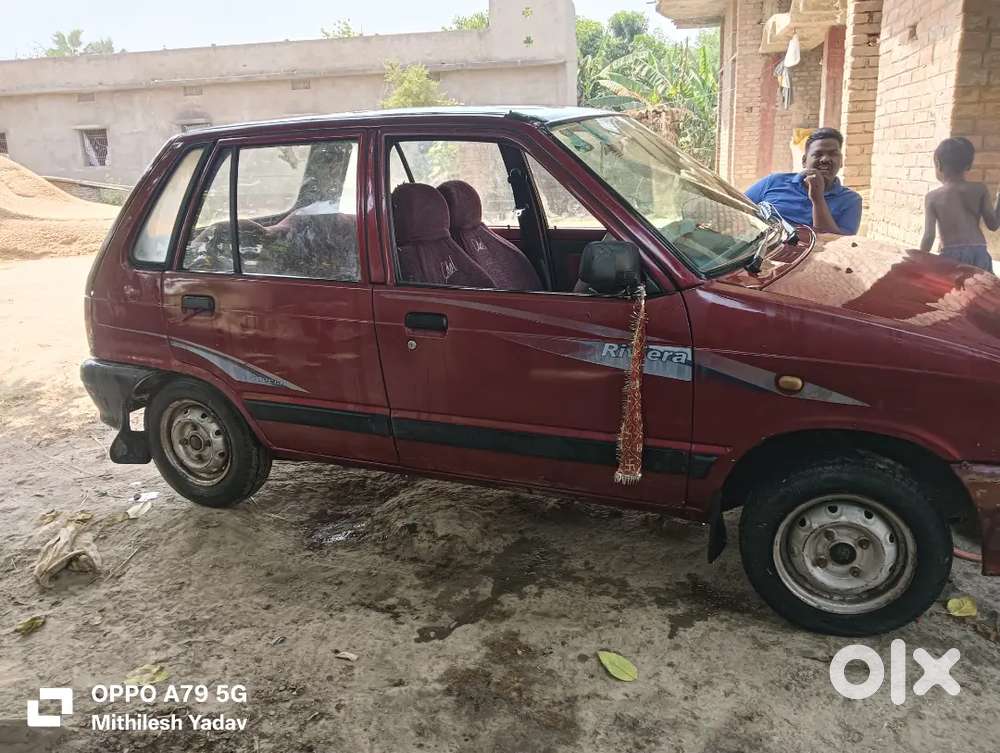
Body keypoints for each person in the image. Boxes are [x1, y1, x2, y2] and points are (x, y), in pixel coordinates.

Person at [745, 127, 863, 235]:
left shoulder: (851, 200)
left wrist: (818, 199)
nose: (825, 159)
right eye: (818, 154)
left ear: (841, 161)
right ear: (804, 161)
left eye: (833, 154)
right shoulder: (773, 182)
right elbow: (739, 210)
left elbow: (840, 244)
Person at [920, 137, 999, 273]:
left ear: (938, 164)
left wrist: (919, 261)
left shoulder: (933, 197)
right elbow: (993, 225)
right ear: (969, 165)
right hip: (979, 252)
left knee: (952, 287)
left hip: (951, 255)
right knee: (981, 286)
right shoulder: (980, 189)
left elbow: (929, 236)